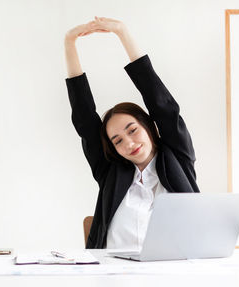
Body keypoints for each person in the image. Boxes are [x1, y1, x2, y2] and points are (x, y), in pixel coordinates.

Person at [65, 17, 200, 250]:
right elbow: (85, 119)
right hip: (113, 274)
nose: (129, 142)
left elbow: (163, 105)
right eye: (117, 140)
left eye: (133, 130)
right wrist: (69, 42)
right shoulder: (110, 172)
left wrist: (122, 33)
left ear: (148, 126)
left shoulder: (177, 158)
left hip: (173, 271)